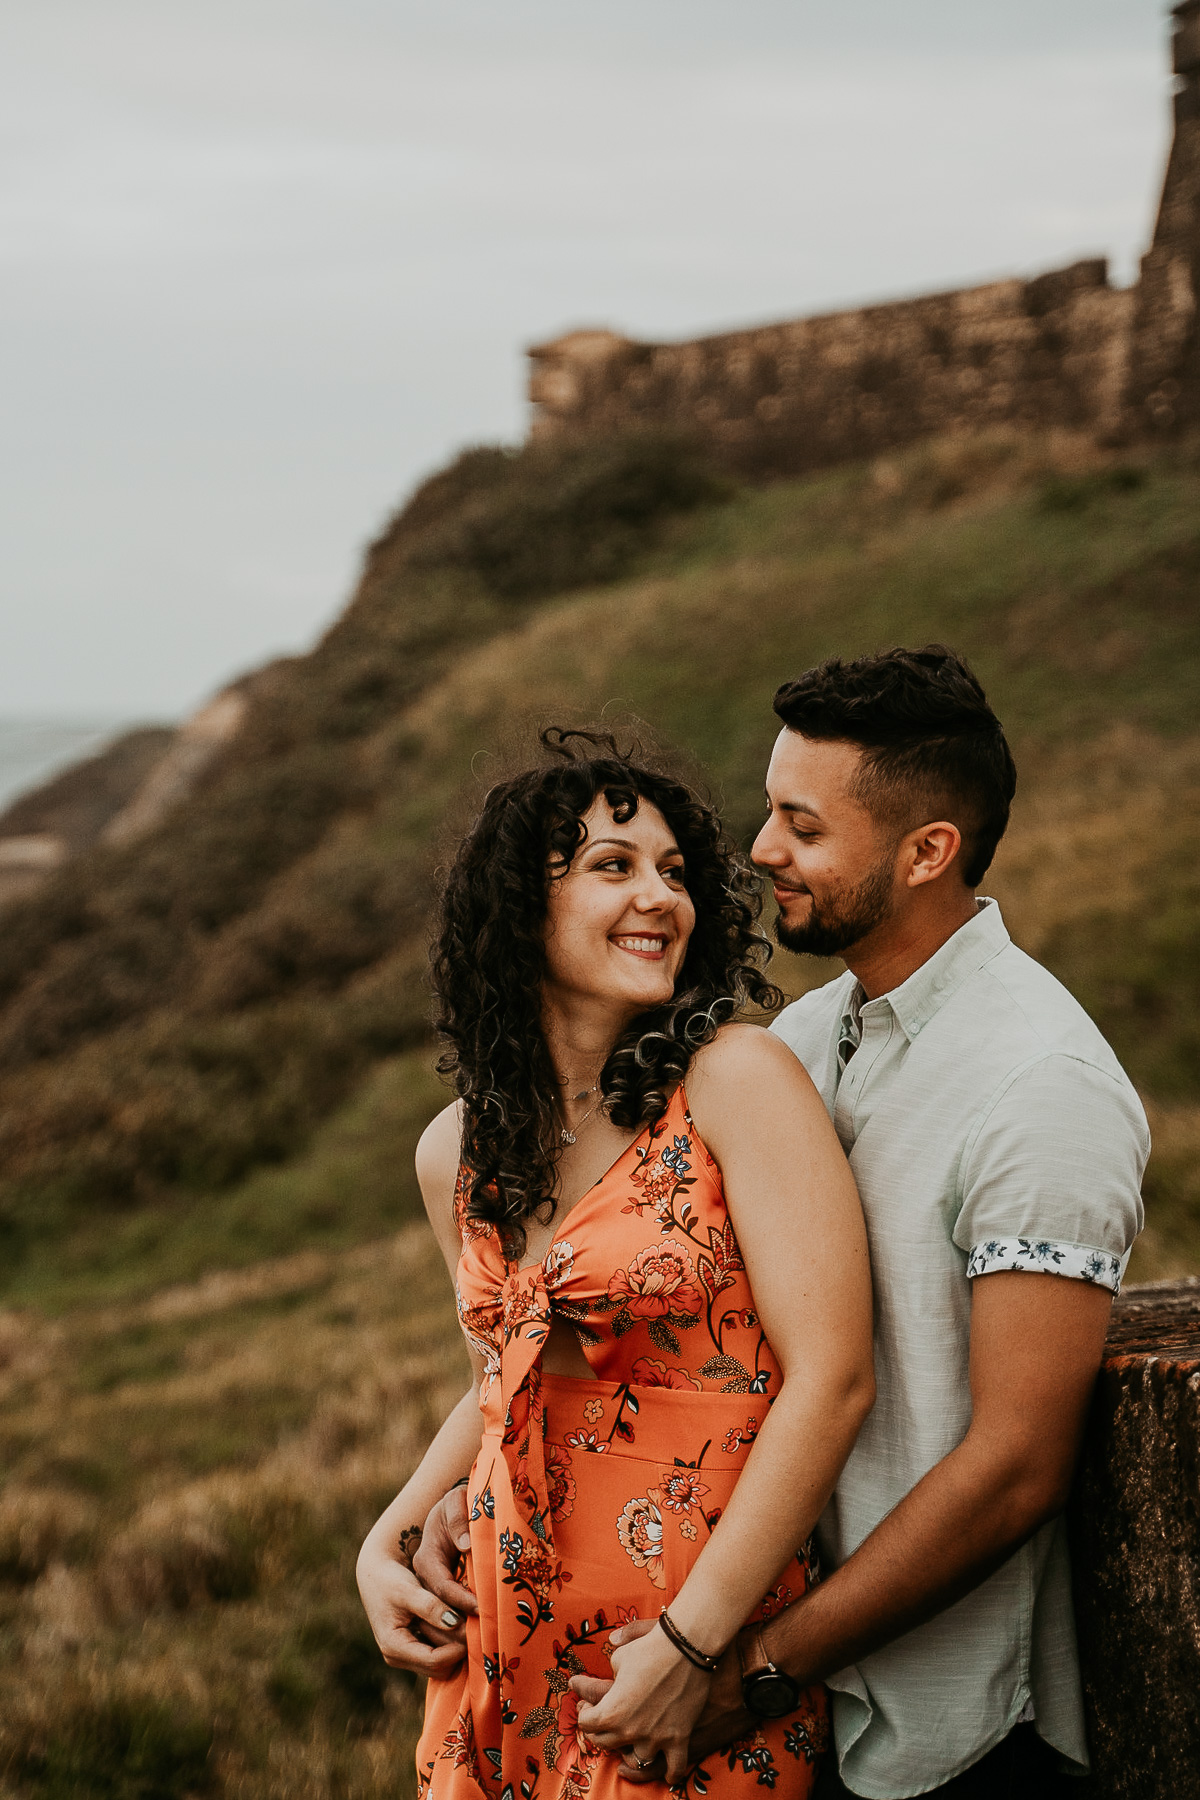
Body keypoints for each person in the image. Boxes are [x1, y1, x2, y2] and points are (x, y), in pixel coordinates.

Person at [411, 648, 1147, 1798]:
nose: (755, 854)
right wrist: (397, 1528)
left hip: (934, 1721)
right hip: (696, 1653)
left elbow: (1011, 1469)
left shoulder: (1038, 1084)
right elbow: (528, 1363)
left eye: (800, 826)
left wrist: (741, 1667)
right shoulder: (807, 1040)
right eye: (767, 813)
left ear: (926, 852)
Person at [357, 730, 875, 1799]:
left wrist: (692, 1649)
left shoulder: (735, 1081)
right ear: (520, 911)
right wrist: (394, 1531)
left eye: (675, 872)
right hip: (499, 1654)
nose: (660, 897)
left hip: (672, 1668)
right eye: (612, 866)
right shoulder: (455, 1150)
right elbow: (502, 1379)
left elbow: (834, 1381)